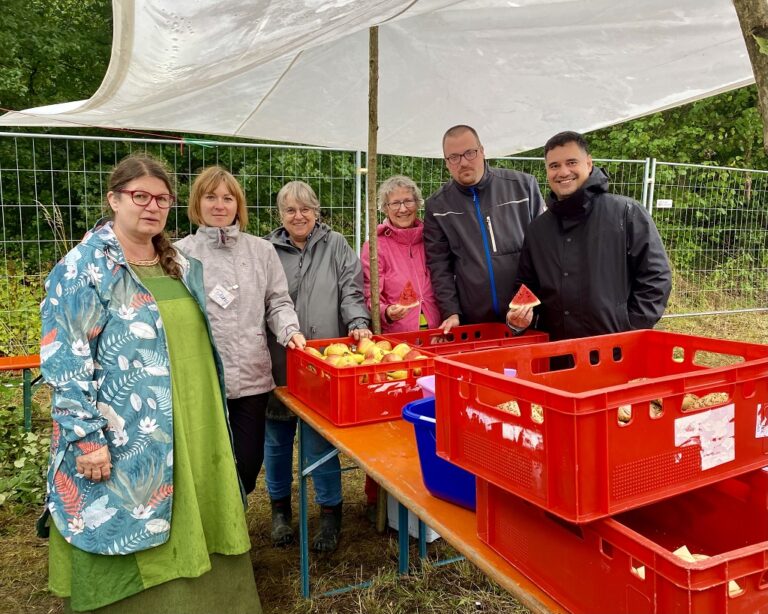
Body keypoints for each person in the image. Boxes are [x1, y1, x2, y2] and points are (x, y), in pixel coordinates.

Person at [39, 154, 262, 613]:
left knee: (197, 506)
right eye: (140, 196)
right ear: (114, 199)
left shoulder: (178, 262)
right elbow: (66, 359)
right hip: (127, 431)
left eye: (162, 198)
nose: (152, 206)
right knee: (130, 510)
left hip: (194, 418)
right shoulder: (84, 269)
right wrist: (86, 439)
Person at [175, 166, 305, 496]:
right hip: (202, 377)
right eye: (211, 197)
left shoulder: (261, 251)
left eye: (227, 198)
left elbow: (278, 301)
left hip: (251, 374)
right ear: (197, 203)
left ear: (238, 205)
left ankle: (234, 513)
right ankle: (215, 528)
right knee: (206, 460)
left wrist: (290, 331)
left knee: (248, 463)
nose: (220, 205)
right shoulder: (179, 255)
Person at [264, 180, 371, 552]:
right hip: (279, 361)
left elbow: (351, 291)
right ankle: (279, 512)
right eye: (290, 210)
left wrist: (358, 323)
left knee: (319, 442)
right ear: (280, 215)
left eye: (306, 208)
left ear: (317, 211)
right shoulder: (266, 250)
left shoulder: (337, 244)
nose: (299, 216)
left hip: (326, 361)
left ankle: (330, 515)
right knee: (277, 441)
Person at [507, 131, 672, 344]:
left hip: (615, 350)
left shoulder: (626, 212)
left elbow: (656, 277)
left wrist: (631, 328)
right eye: (554, 166)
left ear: (589, 163)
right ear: (547, 171)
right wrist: (518, 320)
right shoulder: (538, 229)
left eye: (571, 162)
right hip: (557, 352)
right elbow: (527, 286)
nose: (563, 172)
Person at [360, 174, 441, 518]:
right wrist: (384, 311)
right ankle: (377, 495)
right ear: (384, 209)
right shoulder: (374, 247)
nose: (403, 208)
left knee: (430, 414)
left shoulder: (433, 239)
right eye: (395, 203)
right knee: (388, 418)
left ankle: (427, 485)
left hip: (436, 338)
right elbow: (367, 293)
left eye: (409, 200)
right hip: (395, 342)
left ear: (418, 203)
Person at [424, 124, 545, 333]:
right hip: (475, 321)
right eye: (454, 157)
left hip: (529, 314)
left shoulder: (523, 186)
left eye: (469, 153)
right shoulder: (437, 206)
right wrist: (450, 311)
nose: (463, 162)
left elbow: (544, 248)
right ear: (446, 163)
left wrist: (539, 299)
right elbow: (439, 265)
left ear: (482, 151)